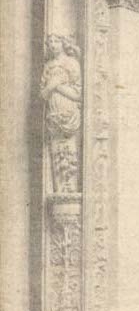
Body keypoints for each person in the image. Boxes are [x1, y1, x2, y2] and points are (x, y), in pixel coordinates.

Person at [40, 34, 83, 194]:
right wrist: (52, 86)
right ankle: (60, 191)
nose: (53, 44)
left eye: (56, 40)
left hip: (69, 115)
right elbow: (43, 94)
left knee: (70, 155)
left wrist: (56, 86)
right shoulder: (48, 66)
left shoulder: (72, 63)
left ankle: (70, 190)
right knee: (57, 157)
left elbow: (78, 94)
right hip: (53, 116)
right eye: (50, 41)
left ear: (63, 42)